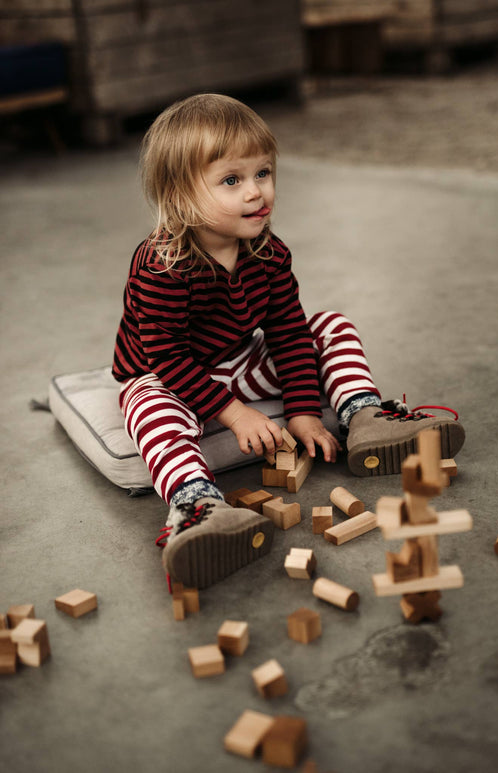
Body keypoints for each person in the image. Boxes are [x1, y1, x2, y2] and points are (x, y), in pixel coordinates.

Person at [112, 93, 465, 589]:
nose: (257, 192)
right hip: (164, 372)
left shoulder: (269, 252)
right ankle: (197, 504)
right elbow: (166, 356)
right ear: (179, 196)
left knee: (330, 323)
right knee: (148, 403)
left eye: (263, 173)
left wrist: (300, 409)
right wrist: (234, 413)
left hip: (236, 358)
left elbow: (287, 331)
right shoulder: (161, 266)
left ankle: (362, 415)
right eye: (232, 180)